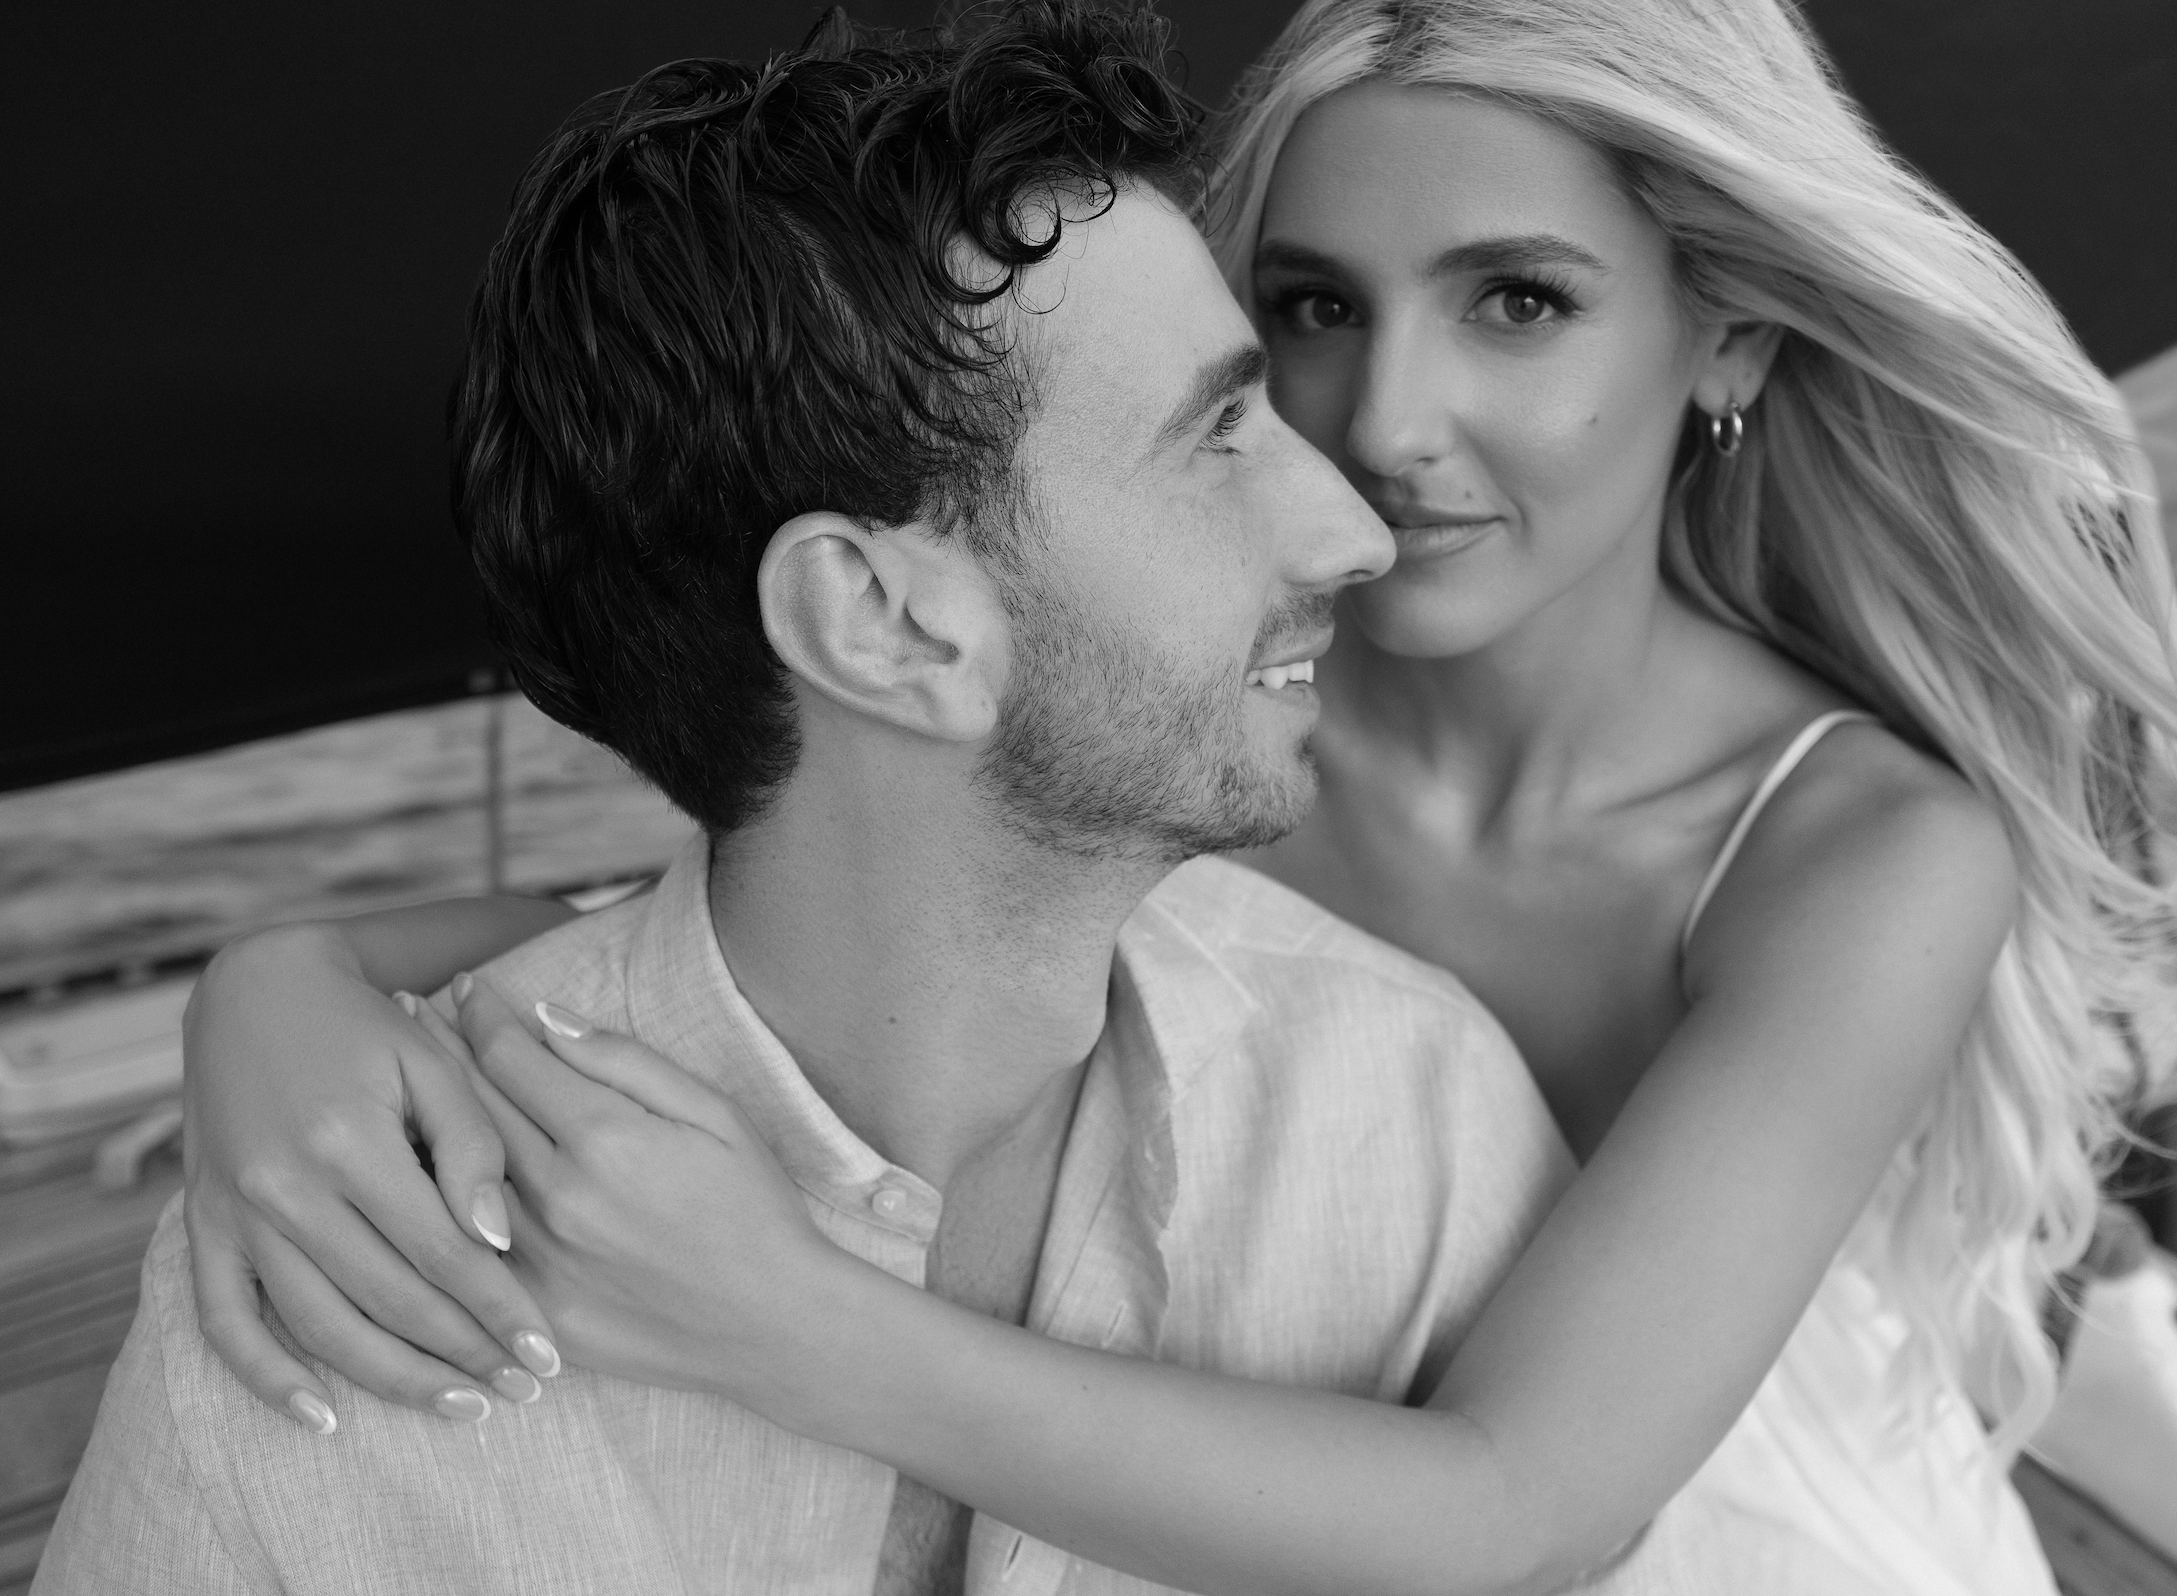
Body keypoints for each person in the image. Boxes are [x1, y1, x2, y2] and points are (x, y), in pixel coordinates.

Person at [122, 0, 2177, 1592]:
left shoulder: (1853, 849)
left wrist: (786, 1324)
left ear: (1729, 340)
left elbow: (1517, 1510)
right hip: (1216, 1427)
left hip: (1675, 1501)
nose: (1380, 429)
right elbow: (800, 871)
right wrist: (277, 985)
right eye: (1300, 312)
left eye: (1516, 304)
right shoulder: (1218, 705)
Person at [33, 9, 1578, 1594]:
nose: (1352, 532)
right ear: (883, 626)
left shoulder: (1410, 1114)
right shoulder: (347, 1269)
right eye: (1215, 437)